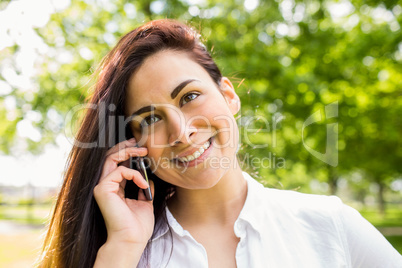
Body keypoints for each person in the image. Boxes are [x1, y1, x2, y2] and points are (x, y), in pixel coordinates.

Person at [37, 19, 401, 268]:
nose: (180, 131)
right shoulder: (128, 251)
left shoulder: (328, 225)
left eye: (189, 96)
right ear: (133, 143)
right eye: (150, 119)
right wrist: (123, 247)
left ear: (228, 95)